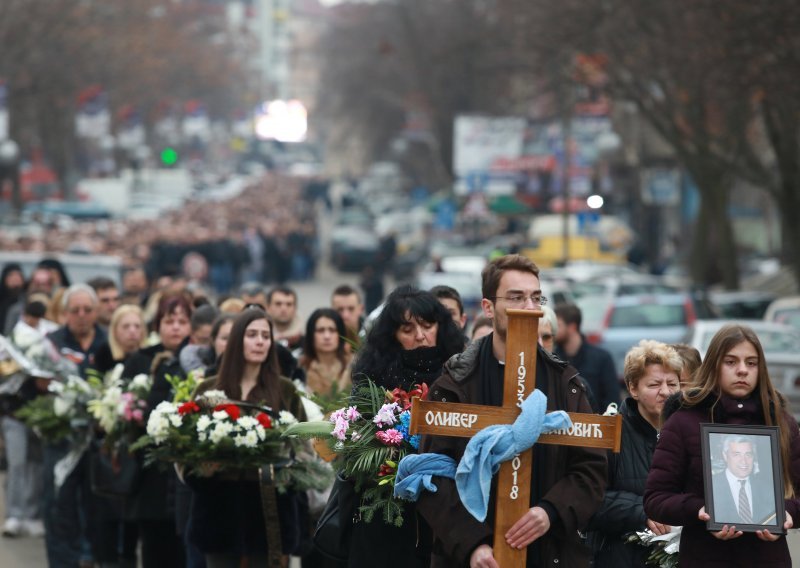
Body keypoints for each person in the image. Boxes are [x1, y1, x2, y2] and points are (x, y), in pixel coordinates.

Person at [416, 254, 607, 567]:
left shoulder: (565, 383)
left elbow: (591, 469)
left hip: (549, 553)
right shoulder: (456, 383)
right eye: (516, 298)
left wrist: (551, 511)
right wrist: (472, 544)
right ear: (489, 308)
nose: (530, 308)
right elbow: (432, 473)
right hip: (473, 558)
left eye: (536, 298)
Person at [644, 324, 800, 568]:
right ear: (714, 365)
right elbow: (656, 498)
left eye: (751, 363)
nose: (742, 370)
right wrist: (700, 511)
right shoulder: (684, 422)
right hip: (704, 557)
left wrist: (786, 513)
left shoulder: (781, 422)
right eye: (730, 362)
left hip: (768, 559)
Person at [346, 285, 465, 567]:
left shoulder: (460, 374)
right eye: (408, 329)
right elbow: (354, 450)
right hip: (386, 515)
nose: (421, 336)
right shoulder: (373, 378)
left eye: (427, 325)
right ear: (393, 335)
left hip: (446, 512)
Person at [186, 307, 308, 567]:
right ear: (236, 339)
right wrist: (202, 468)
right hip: (219, 509)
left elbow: (302, 452)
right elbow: (186, 449)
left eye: (266, 335)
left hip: (269, 512)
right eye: (252, 334)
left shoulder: (285, 390)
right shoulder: (208, 389)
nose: (260, 341)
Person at [587, 339, 683, 567]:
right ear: (632, 388)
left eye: (672, 383)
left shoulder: (689, 433)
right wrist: (642, 511)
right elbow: (589, 500)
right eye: (654, 385)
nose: (666, 392)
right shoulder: (610, 433)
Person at [122, 294, 194, 568]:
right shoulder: (141, 360)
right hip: (149, 475)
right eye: (169, 320)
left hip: (186, 475)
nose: (175, 327)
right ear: (157, 325)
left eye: (182, 321)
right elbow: (123, 407)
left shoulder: (197, 362)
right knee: (154, 550)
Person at [554, 303, 619, 413]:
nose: (553, 330)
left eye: (557, 325)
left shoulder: (602, 358)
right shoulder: (553, 358)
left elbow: (612, 400)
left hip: (595, 426)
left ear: (572, 327)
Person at [711, 435, 776, 526]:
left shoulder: (767, 488)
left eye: (748, 455)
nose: (744, 461)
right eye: (736, 454)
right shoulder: (711, 485)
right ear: (725, 456)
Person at [298, 308, 352, 397]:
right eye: (320, 330)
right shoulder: (300, 368)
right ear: (311, 335)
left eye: (332, 330)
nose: (327, 336)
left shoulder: (352, 367)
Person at [94, 304, 148, 373]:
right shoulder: (104, 355)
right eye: (126, 326)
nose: (132, 331)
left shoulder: (149, 356)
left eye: (137, 326)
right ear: (115, 330)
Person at [266, 285, 303, 350]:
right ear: (268, 307)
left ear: (295, 308)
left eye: (289, 304)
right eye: (278, 304)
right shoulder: (259, 340)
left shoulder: (308, 339)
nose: (283, 309)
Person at [331, 284, 364, 350]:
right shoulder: (325, 339)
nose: (345, 315)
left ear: (361, 309)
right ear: (332, 311)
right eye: (340, 310)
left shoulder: (372, 337)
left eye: (351, 309)